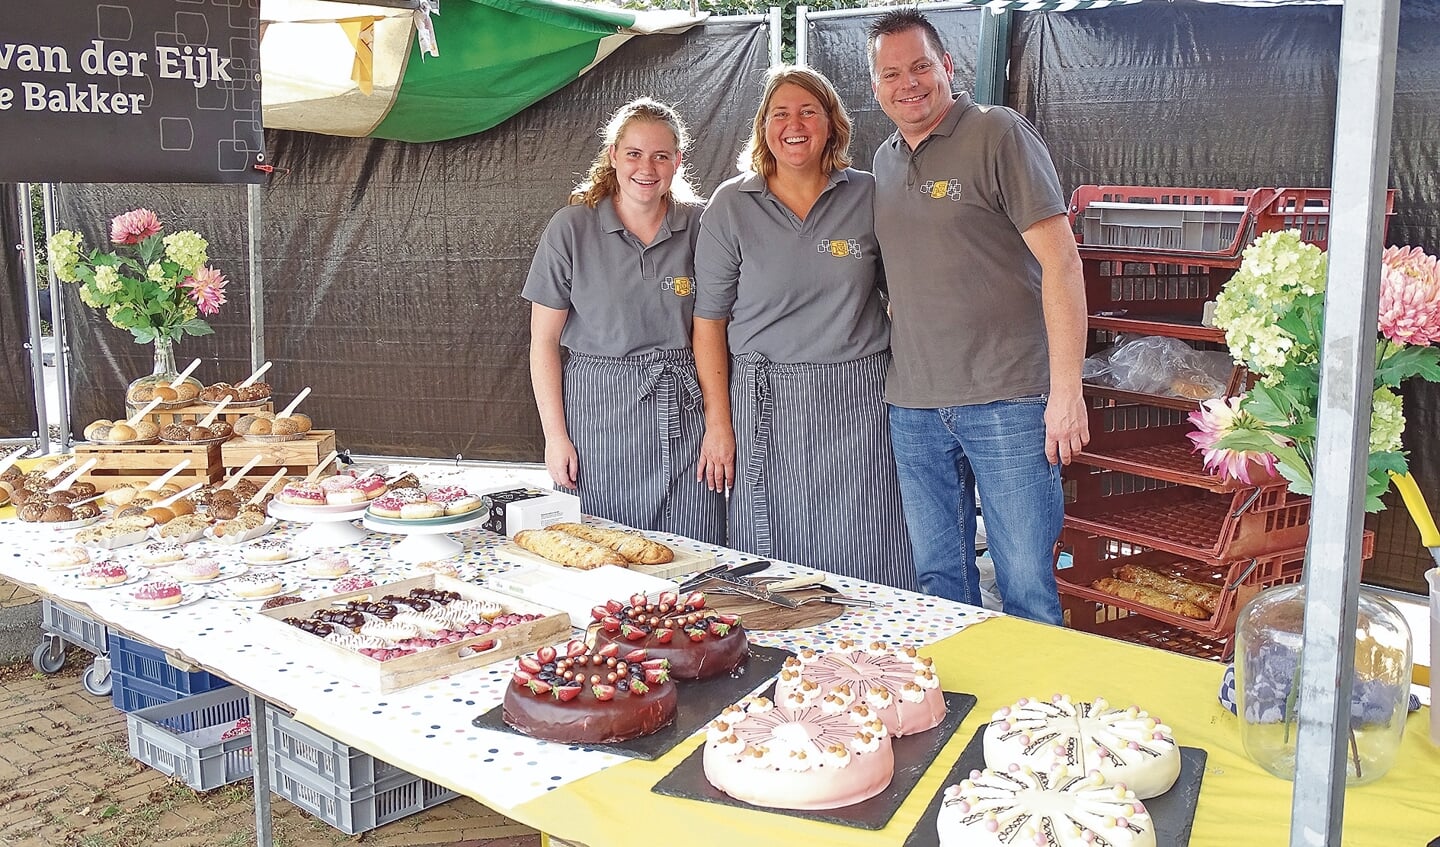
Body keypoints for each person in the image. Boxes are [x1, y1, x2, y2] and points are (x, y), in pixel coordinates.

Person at [867, 10, 1089, 624]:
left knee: (1025, 584)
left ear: (947, 66)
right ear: (876, 87)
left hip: (1010, 401)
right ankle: (961, 711)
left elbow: (1063, 265)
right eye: (891, 73)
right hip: (913, 407)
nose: (908, 83)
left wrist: (1066, 393)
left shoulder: (997, 133)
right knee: (940, 581)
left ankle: (1033, 717)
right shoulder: (882, 163)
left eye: (919, 66)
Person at [692, 66, 917, 590]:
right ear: (764, 128)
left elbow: (906, 292)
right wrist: (719, 424)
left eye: (808, 111)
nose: (794, 125)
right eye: (780, 114)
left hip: (858, 399)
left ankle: (876, 648)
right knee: (776, 567)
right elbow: (708, 323)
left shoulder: (868, 193)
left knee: (872, 532)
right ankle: (785, 663)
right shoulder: (732, 204)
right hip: (765, 402)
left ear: (831, 123)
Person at [523, 98, 725, 545]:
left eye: (660, 155)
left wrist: (717, 424)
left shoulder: (703, 226)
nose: (646, 167)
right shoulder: (571, 228)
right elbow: (543, 343)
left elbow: (717, 330)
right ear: (613, 155)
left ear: (678, 160)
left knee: (693, 553)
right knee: (603, 553)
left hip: (686, 417)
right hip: (599, 423)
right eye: (633, 153)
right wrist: (555, 437)